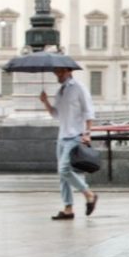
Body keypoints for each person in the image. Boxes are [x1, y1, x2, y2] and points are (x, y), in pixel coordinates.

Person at [39, 66, 98, 220]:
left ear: (68, 71)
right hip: (62, 136)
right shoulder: (60, 91)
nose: (56, 75)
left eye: (59, 72)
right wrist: (45, 102)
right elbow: (56, 114)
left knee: (64, 169)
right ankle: (68, 209)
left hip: (75, 135)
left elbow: (88, 111)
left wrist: (88, 133)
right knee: (62, 174)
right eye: (55, 72)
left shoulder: (79, 88)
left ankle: (89, 194)